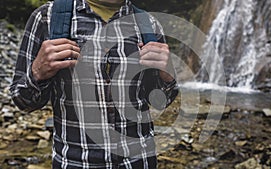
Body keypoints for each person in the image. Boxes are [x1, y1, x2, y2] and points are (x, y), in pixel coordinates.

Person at [10, 0, 178, 168]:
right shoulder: (47, 18)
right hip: (76, 163)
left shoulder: (148, 24)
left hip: (140, 162)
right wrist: (38, 73)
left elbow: (160, 102)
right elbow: (23, 101)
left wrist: (167, 75)